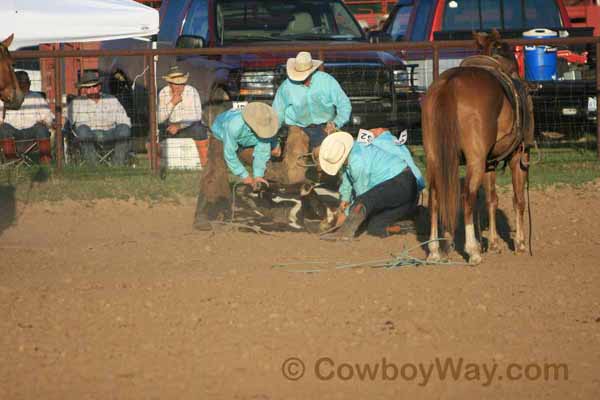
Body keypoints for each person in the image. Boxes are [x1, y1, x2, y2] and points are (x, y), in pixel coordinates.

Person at [319, 129, 425, 240]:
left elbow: (364, 195)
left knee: (363, 202)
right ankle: (408, 223)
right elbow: (347, 175)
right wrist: (345, 199)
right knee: (374, 226)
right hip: (407, 188)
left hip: (399, 183)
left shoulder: (357, 163)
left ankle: (344, 232)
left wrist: (345, 214)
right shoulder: (355, 149)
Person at [193, 102, 279, 230]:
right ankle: (203, 213)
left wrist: (258, 176)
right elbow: (230, 155)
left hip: (246, 142)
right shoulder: (234, 125)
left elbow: (262, 153)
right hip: (221, 137)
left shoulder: (265, 130)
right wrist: (244, 176)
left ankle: (270, 208)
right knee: (215, 171)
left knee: (268, 169)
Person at [271, 51, 351, 184]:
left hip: (325, 125)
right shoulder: (286, 87)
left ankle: (327, 181)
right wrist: (273, 139)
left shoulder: (326, 81)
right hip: (298, 126)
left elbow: (344, 104)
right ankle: (297, 184)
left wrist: (336, 123)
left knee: (329, 161)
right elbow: (277, 113)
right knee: (295, 163)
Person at [66, 70, 131, 166]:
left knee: (124, 128)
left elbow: (124, 120)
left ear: (99, 86)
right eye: (88, 87)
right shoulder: (76, 103)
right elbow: (68, 123)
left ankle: (118, 165)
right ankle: (93, 166)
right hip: (89, 135)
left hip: (110, 133)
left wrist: (123, 126)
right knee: (82, 130)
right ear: (84, 89)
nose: (92, 89)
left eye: (94, 86)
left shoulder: (111, 100)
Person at [157, 65, 209, 165]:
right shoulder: (163, 93)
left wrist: (179, 125)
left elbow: (196, 116)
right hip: (169, 126)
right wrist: (172, 103)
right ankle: (157, 165)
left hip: (188, 126)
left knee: (199, 129)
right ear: (169, 84)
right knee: (154, 132)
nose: (179, 87)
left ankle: (204, 162)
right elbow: (159, 119)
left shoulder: (191, 91)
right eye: (176, 84)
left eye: (182, 84)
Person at [0, 71, 54, 164]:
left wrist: (46, 121)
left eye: (25, 81)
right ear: (15, 83)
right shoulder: (5, 98)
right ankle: (11, 162)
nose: (23, 84)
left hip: (32, 135)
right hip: (12, 135)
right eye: (20, 82)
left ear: (30, 83)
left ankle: (45, 163)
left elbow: (48, 117)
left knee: (41, 129)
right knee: (4, 128)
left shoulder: (37, 97)